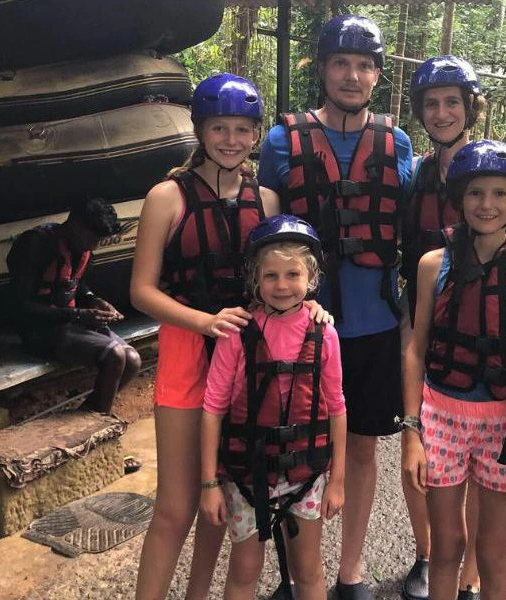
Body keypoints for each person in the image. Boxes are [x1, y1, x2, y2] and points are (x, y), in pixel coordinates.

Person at [131, 74, 330, 600]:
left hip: (248, 358)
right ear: (199, 129)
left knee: (220, 500)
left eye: (243, 130)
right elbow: (141, 291)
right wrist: (202, 322)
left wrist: (306, 301)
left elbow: (281, 271)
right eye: (219, 127)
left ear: (255, 135)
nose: (231, 140)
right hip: (188, 351)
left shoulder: (264, 197)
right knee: (176, 506)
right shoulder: (166, 197)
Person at [258, 14, 413, 600]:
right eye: (341, 63)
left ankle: (349, 572)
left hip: (373, 322)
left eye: (365, 65)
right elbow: (261, 229)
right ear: (322, 68)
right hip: (297, 325)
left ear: (377, 74)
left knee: (364, 447)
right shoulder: (281, 141)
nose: (352, 75)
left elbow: (430, 215)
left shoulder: (396, 143)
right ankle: (301, 574)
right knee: (293, 446)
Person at [401, 140, 506, 600]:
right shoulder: (435, 264)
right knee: (446, 545)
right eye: (475, 193)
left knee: (492, 549)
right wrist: (412, 431)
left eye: (498, 194)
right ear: (459, 198)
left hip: (504, 427)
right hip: (441, 416)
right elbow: (416, 350)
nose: (486, 205)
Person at [200, 214, 346, 600]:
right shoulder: (236, 335)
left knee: (309, 569)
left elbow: (337, 408)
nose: (282, 286)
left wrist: (339, 480)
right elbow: (213, 407)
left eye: (292, 274)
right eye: (271, 276)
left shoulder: (324, 332)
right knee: (245, 569)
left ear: (310, 279)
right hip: (247, 471)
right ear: (255, 279)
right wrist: (210, 483)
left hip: (306, 470)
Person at [399, 55, 486, 600]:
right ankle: (429, 553)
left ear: (470, 106)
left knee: (479, 453)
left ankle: (472, 568)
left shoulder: (491, 170)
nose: (442, 112)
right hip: (422, 320)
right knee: (423, 443)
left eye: (452, 101)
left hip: (480, 329)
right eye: (432, 104)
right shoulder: (420, 173)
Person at [6, 197, 141, 414]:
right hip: (40, 331)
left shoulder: (81, 247)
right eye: (92, 237)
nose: (94, 245)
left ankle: (88, 414)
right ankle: (99, 417)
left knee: (133, 360)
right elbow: (20, 305)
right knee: (114, 356)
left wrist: (93, 299)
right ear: (76, 225)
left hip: (71, 325)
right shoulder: (36, 245)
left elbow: (74, 282)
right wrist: (78, 315)